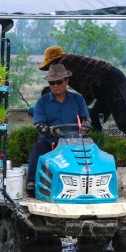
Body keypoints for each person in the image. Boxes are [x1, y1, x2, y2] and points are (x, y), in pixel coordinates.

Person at [39, 46, 126, 139]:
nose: (50, 70)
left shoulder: (65, 63)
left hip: (110, 80)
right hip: (103, 87)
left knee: (122, 118)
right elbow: (87, 91)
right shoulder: (67, 69)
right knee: (95, 120)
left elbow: (86, 90)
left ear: (53, 63)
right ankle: (96, 143)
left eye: (50, 67)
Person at [27, 63, 90, 196]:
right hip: (50, 141)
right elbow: (39, 125)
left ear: (66, 81)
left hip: (75, 141)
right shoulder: (42, 102)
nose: (55, 85)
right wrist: (51, 131)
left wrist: (84, 128)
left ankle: (91, 182)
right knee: (38, 148)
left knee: (94, 149)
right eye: (52, 82)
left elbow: (87, 120)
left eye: (59, 82)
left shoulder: (78, 100)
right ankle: (31, 183)